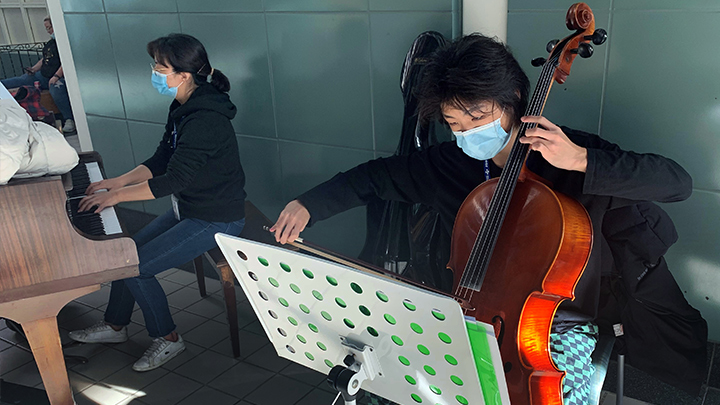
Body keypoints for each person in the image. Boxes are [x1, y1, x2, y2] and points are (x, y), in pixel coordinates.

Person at [270, 34, 692, 404]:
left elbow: (677, 183)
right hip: (468, 314)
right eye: (454, 122)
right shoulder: (449, 163)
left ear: (511, 102)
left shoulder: (569, 152)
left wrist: (582, 160)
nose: (466, 131)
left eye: (477, 116)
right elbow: (374, 178)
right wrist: (309, 204)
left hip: (562, 324)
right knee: (395, 385)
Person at [68, 33, 247, 372]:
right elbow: (164, 157)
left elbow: (174, 180)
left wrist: (116, 197)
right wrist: (118, 181)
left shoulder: (205, 118)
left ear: (183, 75)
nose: (154, 72)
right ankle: (115, 326)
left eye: (160, 67)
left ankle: (168, 339)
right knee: (127, 252)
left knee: (138, 267)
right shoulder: (183, 104)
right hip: (190, 208)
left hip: (216, 217)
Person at [1, 16, 75, 133]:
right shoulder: (51, 43)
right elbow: (45, 58)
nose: (49, 31)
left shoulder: (65, 41)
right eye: (47, 29)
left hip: (58, 77)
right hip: (43, 75)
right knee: (19, 81)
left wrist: (56, 76)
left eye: (50, 28)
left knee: (57, 89)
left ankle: (69, 119)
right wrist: (34, 69)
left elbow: (67, 60)